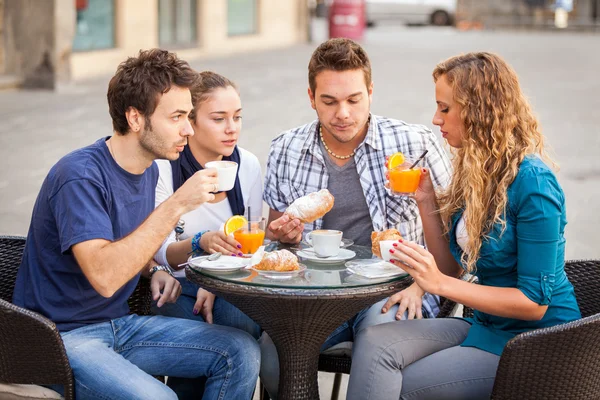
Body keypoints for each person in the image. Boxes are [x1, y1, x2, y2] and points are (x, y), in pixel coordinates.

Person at [12, 49, 260, 400]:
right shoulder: (79, 176)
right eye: (176, 117)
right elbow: (105, 275)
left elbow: (123, 245)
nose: (188, 129)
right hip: (60, 339)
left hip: (121, 327)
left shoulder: (145, 170)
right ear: (135, 118)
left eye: (189, 116)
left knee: (240, 350)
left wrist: (150, 269)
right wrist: (177, 204)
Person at [347, 52, 581, 400]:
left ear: (478, 110)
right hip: (487, 325)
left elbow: (534, 302)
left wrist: (438, 284)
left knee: (396, 383)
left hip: (538, 343)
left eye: (445, 108)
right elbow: (450, 268)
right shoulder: (474, 171)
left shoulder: (534, 183)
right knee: (374, 343)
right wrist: (425, 201)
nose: (435, 119)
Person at [260, 38, 453, 398]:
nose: (343, 114)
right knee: (273, 354)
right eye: (329, 101)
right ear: (311, 97)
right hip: (315, 294)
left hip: (395, 290)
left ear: (371, 92)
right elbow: (278, 242)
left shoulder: (414, 143)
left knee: (378, 346)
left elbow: (457, 240)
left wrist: (422, 283)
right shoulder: (285, 149)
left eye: (354, 100)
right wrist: (284, 236)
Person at [152, 71, 261, 340]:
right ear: (191, 122)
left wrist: (215, 280)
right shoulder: (164, 168)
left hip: (232, 279)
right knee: (193, 331)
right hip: (176, 280)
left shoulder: (247, 165)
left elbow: (253, 242)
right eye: (218, 119)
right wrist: (200, 242)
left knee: (242, 322)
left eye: (237, 117)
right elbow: (161, 252)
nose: (232, 128)